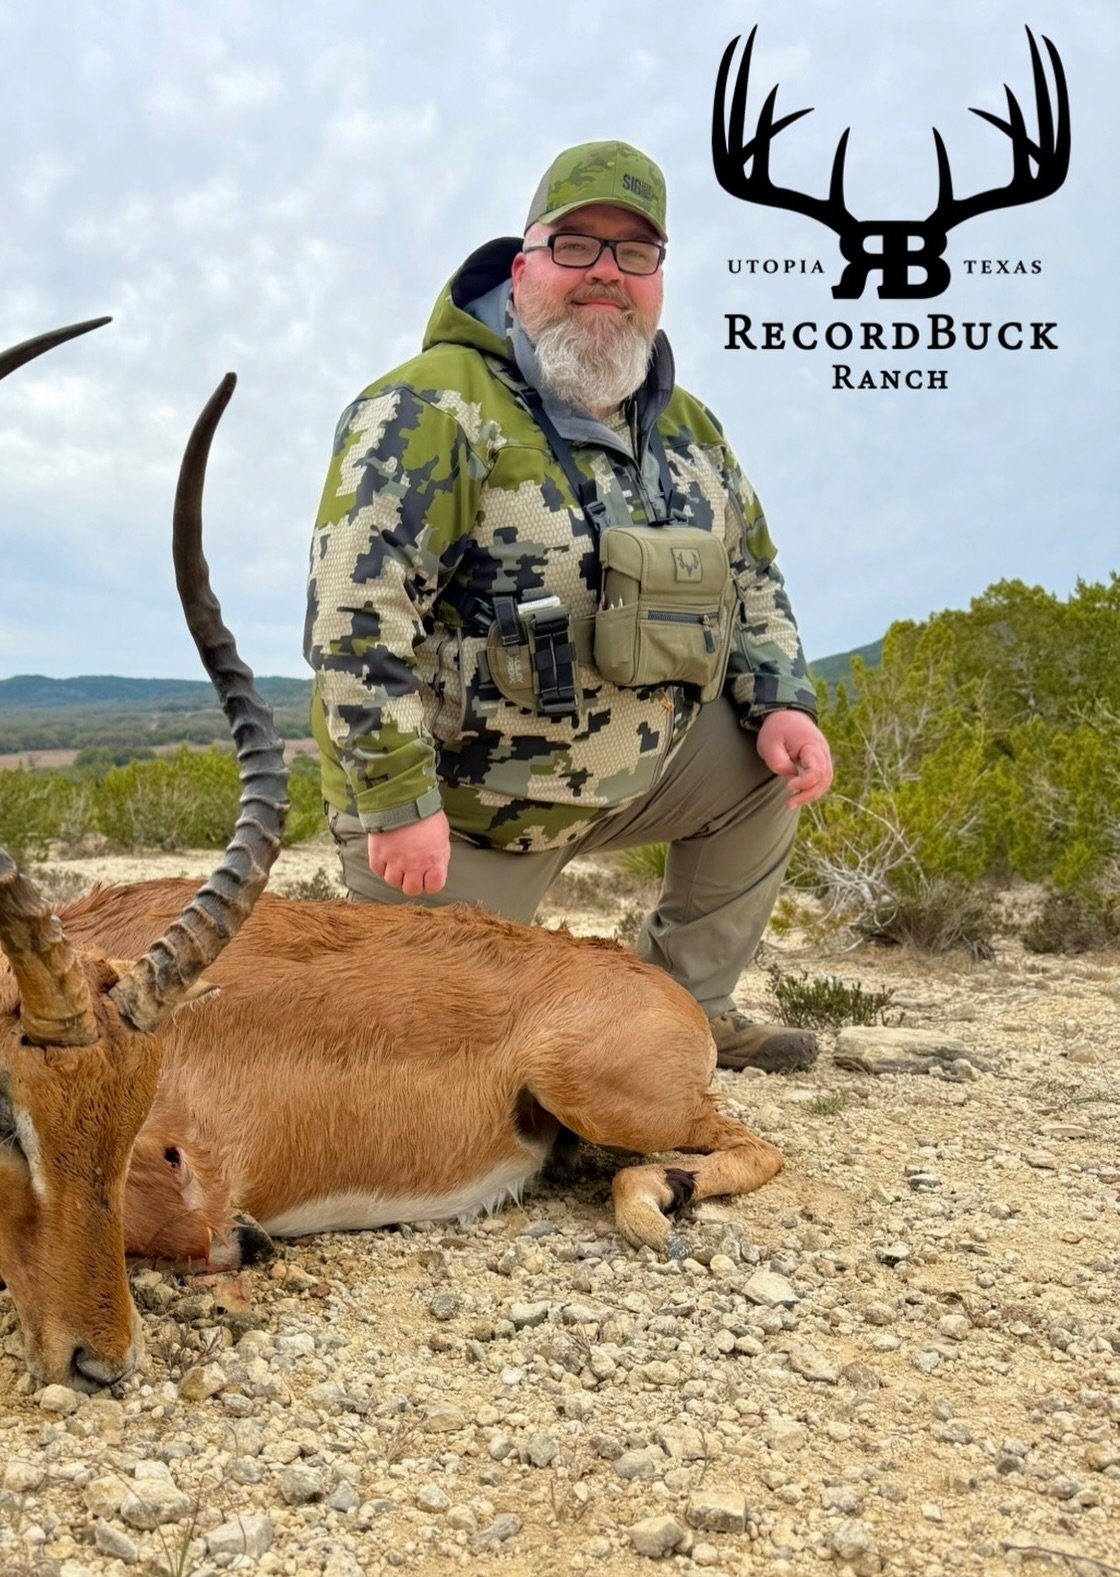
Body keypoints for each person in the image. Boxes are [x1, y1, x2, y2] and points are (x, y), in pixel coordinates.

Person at [302, 140, 833, 1072]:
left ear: (658, 279)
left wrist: (783, 699)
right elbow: (356, 619)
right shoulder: (428, 409)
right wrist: (394, 803)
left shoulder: (692, 432)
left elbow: (752, 574)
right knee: (424, 1074)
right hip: (463, 814)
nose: (605, 274)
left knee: (764, 772)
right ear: (523, 268)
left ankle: (686, 1010)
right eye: (575, 245)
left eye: (635, 253)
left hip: (638, 775)